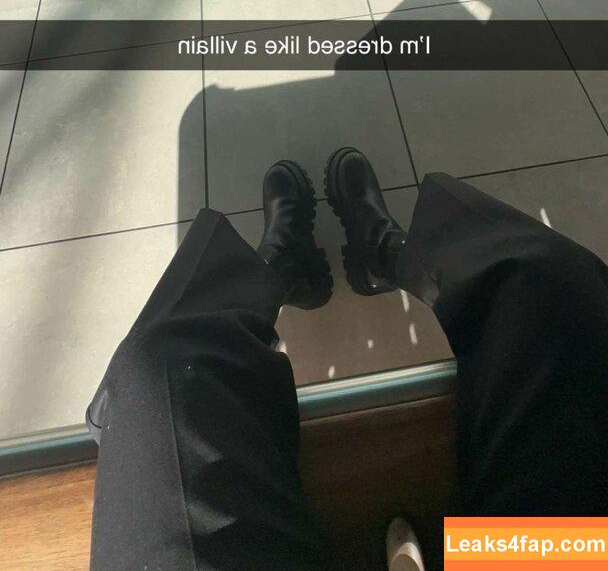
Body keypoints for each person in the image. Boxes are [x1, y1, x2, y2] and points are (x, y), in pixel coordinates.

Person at [86, 149, 608, 570]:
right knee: (555, 285)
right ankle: (384, 254)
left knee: (159, 367)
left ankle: (281, 271)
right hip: (530, 559)